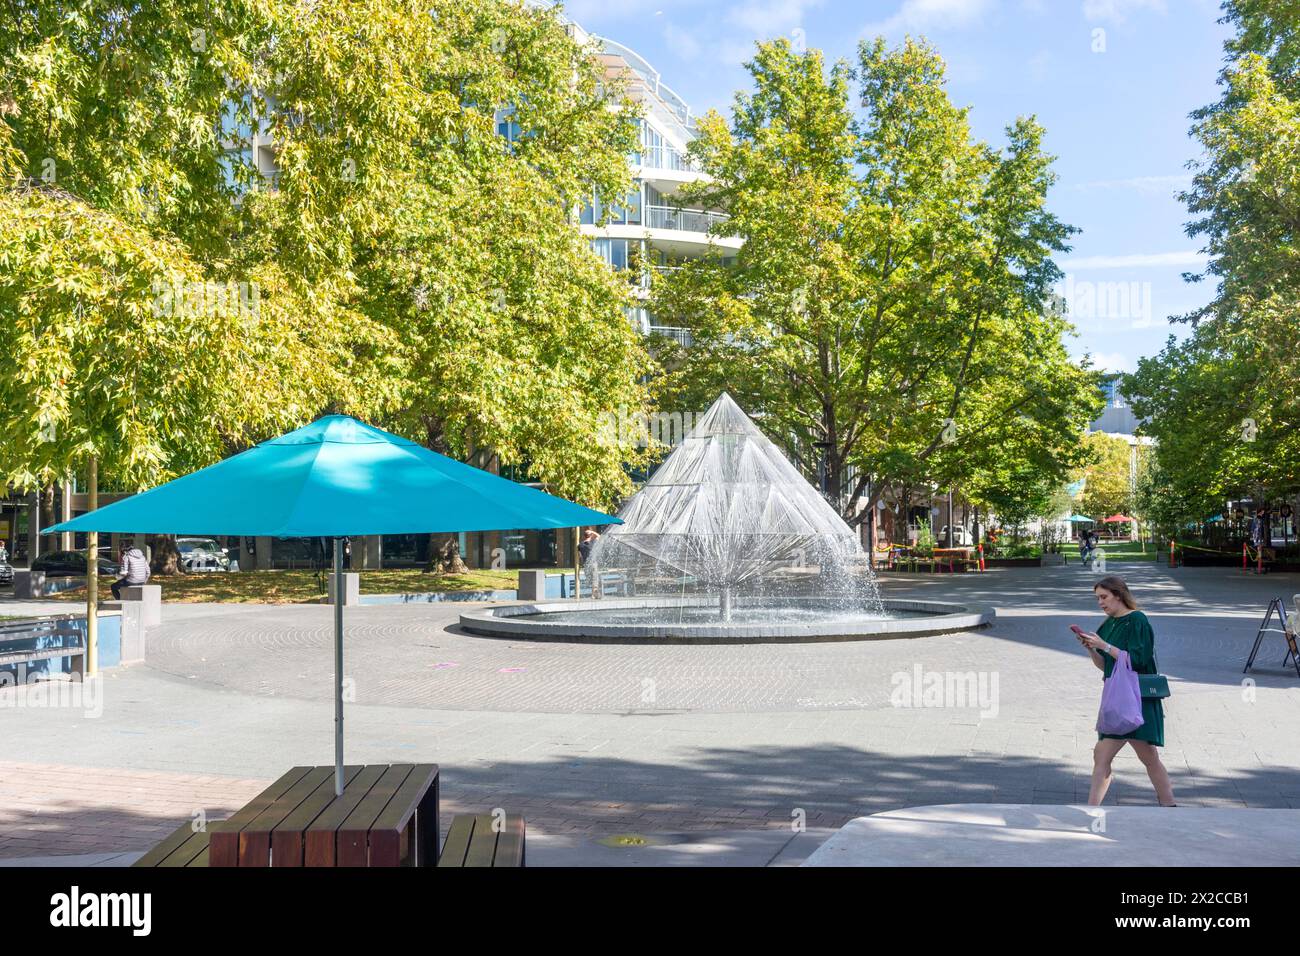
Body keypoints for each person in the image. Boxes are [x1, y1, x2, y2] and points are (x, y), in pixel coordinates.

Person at [1075, 574, 1175, 807]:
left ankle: (1169, 804)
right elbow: (1106, 666)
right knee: (1106, 755)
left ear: (1119, 595)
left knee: (1145, 756)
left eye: (1104, 597)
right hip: (1118, 697)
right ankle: (1168, 804)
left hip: (1137, 697)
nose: (1100, 603)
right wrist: (1092, 650)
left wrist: (1105, 646)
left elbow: (1138, 660)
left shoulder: (1137, 620)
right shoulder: (1108, 623)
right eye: (1097, 598)